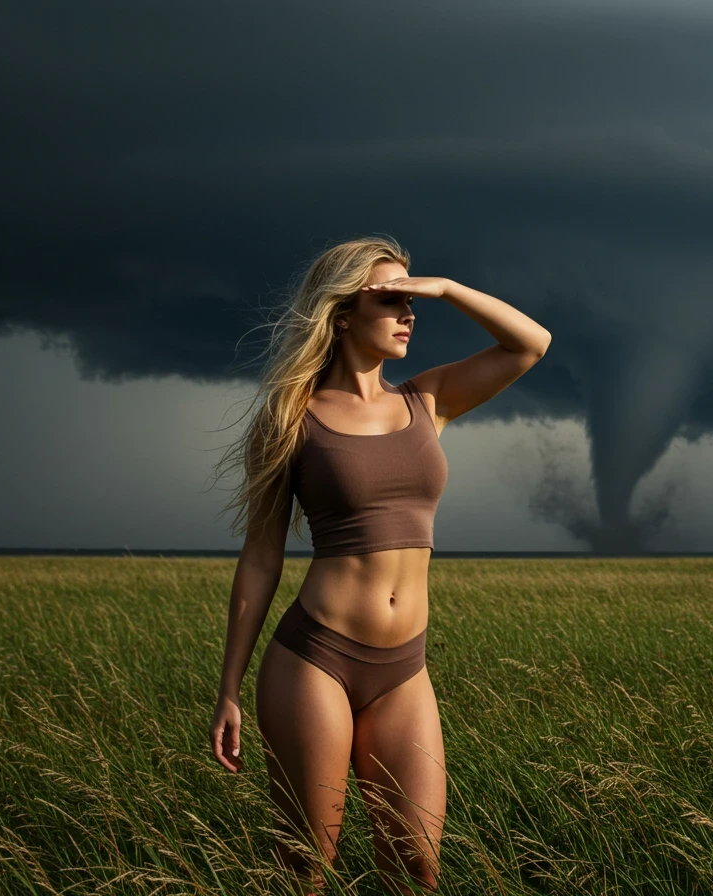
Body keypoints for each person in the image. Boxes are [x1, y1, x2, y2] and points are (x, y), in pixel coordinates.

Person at [207, 236, 551, 893]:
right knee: (309, 865)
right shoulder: (290, 418)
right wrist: (229, 688)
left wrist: (446, 287)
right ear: (341, 315)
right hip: (315, 660)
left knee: (417, 868)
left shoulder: (429, 399)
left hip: (404, 669)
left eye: (412, 298)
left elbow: (530, 344)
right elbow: (260, 556)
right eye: (393, 299)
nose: (410, 312)